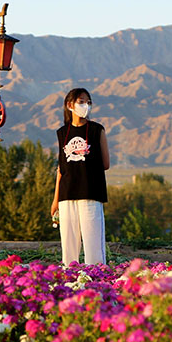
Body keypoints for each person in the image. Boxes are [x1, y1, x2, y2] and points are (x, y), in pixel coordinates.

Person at [51, 87, 110, 265]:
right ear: (70, 105)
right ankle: (70, 278)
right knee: (68, 242)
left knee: (93, 241)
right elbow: (61, 169)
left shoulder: (96, 130)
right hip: (67, 194)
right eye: (81, 101)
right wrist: (55, 201)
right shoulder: (62, 133)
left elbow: (106, 164)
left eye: (88, 102)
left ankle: (98, 277)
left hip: (90, 192)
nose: (86, 106)